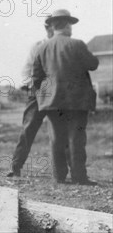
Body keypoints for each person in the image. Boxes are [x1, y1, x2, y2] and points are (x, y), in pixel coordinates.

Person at [32, 9, 99, 185]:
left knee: (56, 140)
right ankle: (79, 177)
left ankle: (59, 177)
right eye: (71, 25)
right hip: (77, 101)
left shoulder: (42, 48)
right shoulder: (77, 44)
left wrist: (46, 95)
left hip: (52, 102)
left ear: (53, 27)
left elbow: (36, 78)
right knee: (76, 139)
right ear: (67, 25)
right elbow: (93, 64)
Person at [6, 17, 54, 177]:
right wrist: (32, 87)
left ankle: (65, 172)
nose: (52, 30)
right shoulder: (38, 46)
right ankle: (15, 166)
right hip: (39, 93)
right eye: (50, 27)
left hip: (58, 95)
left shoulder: (64, 45)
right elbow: (26, 70)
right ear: (47, 28)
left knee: (62, 131)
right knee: (28, 129)